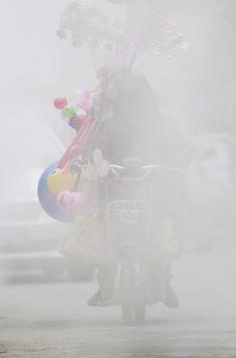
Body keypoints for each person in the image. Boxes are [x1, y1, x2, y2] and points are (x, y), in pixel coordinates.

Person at [87, 72, 189, 308]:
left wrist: (170, 166)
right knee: (102, 231)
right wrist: (91, 160)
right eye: (126, 96)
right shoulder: (107, 126)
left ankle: (164, 282)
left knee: (164, 230)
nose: (130, 101)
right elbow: (92, 150)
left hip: (153, 192)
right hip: (114, 192)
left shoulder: (161, 124)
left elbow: (182, 150)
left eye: (135, 95)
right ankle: (105, 286)